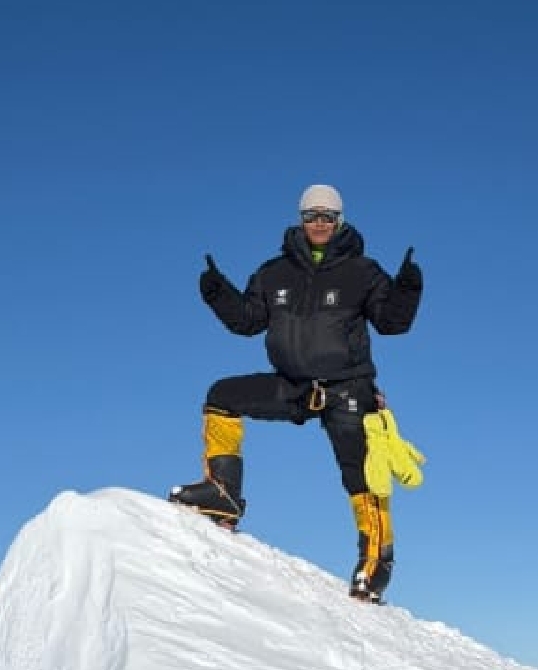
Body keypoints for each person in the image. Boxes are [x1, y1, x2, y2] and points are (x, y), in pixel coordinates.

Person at [169, 184, 423, 601]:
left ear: (340, 220)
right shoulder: (274, 273)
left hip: (347, 389)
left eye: (327, 216)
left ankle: (376, 562)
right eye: (311, 216)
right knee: (222, 397)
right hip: (293, 386)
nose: (319, 223)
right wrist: (219, 294)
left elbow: (392, 323)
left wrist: (408, 289)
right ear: (300, 220)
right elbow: (248, 321)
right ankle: (223, 494)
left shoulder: (362, 271)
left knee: (361, 474)